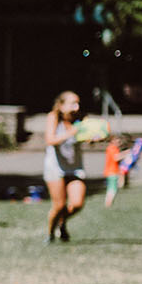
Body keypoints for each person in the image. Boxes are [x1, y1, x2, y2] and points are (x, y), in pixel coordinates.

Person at [43, 90, 87, 243]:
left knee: (77, 203)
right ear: (61, 106)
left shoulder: (80, 119)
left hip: (74, 167)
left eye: (78, 103)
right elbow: (50, 140)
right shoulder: (54, 117)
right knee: (59, 205)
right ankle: (50, 234)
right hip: (55, 167)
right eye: (73, 103)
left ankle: (61, 223)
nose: (77, 107)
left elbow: (84, 137)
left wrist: (92, 138)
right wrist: (72, 133)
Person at [103, 133, 127, 208]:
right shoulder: (112, 148)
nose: (119, 142)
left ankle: (109, 203)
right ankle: (108, 204)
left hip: (113, 171)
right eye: (117, 140)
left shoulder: (113, 148)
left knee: (113, 188)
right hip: (111, 171)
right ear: (112, 140)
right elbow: (116, 158)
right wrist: (126, 154)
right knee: (112, 189)